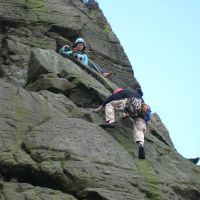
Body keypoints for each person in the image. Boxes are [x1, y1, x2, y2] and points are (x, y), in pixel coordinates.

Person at [94, 88, 151, 159]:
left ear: (117, 91)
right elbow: (138, 109)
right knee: (139, 129)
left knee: (110, 105)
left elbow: (110, 99)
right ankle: (140, 144)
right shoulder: (140, 98)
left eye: (114, 93)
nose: (114, 94)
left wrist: (99, 109)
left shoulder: (124, 92)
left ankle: (110, 121)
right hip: (140, 112)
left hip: (130, 104)